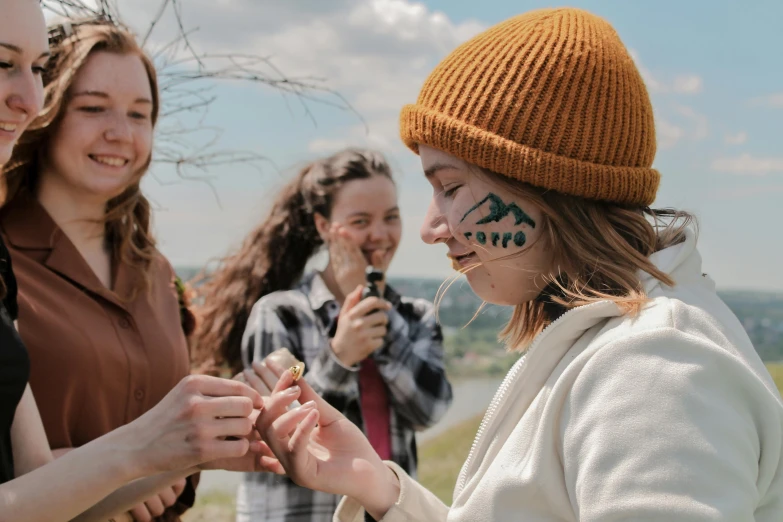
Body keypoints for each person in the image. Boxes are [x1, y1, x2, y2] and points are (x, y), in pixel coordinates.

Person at [253, 8, 783, 522]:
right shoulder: (611, 348)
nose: (429, 228)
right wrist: (377, 485)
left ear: (545, 184)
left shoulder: (654, 368)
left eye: (451, 187)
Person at [0, 5, 277, 520]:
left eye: (138, 114)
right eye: (93, 108)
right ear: (47, 112)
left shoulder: (156, 273)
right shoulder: (3, 257)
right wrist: (89, 468)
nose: (120, 133)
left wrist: (222, 427)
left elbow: (163, 445)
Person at [191, 148, 453, 521]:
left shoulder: (414, 316)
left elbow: (430, 410)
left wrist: (374, 312)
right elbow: (279, 437)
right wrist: (339, 357)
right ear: (322, 226)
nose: (380, 235)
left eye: (391, 218)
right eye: (361, 221)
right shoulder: (280, 314)